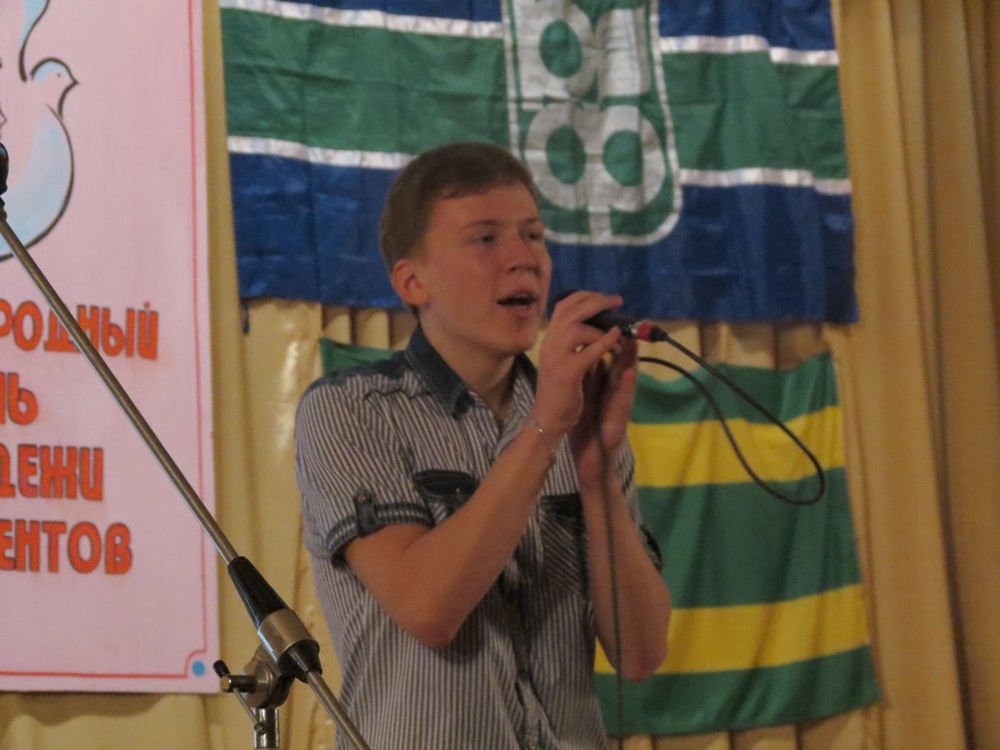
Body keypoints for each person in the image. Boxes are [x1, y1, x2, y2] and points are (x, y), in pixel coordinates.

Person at [295, 141, 671, 749]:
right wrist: (544, 431)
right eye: (486, 239)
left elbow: (641, 653)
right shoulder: (352, 410)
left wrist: (596, 472)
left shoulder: (572, 416)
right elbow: (428, 609)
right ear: (413, 281)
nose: (524, 260)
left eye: (534, 236)